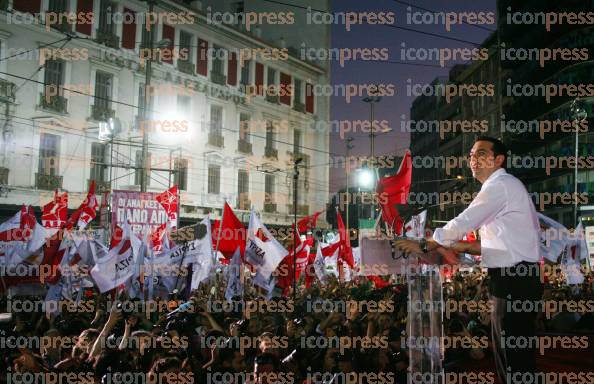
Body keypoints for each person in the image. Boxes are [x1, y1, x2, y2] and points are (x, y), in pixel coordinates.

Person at [396, 136, 544, 384]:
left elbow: (465, 220)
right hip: (511, 278)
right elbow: (491, 244)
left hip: (515, 279)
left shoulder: (502, 184)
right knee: (509, 355)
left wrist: (428, 243)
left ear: (499, 159)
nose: (474, 160)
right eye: (472, 155)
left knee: (514, 357)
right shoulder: (499, 188)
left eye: (481, 154)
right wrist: (449, 244)